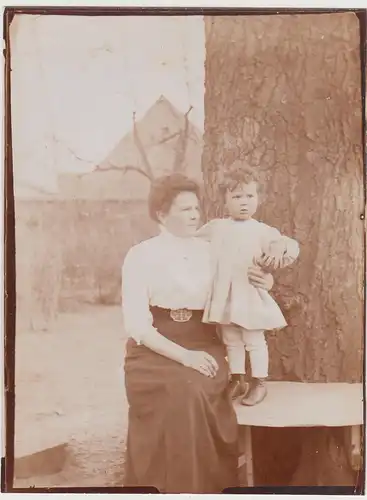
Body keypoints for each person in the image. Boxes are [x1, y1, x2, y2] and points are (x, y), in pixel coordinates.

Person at [121, 173, 275, 494]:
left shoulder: (212, 249)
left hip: (204, 341)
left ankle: (201, 488)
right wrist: (184, 357)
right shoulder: (141, 255)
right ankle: (158, 487)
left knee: (190, 391)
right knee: (176, 389)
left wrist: (265, 283)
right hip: (153, 348)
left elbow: (243, 283)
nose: (194, 215)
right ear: (161, 214)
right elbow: (137, 325)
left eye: (196, 208)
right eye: (184, 209)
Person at [196, 162, 300, 407]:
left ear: (259, 198)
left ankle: (259, 381)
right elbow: (191, 242)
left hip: (249, 294)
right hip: (225, 295)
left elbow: (290, 247)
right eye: (236, 196)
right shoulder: (216, 228)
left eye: (250, 196)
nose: (244, 202)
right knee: (231, 339)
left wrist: (278, 249)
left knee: (254, 339)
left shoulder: (263, 231)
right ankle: (237, 378)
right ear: (225, 199)